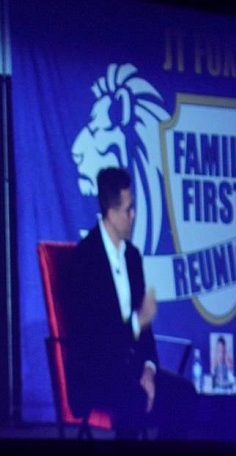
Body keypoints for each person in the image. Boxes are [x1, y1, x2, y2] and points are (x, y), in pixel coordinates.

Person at [63, 167, 196, 437]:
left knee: (185, 394)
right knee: (134, 400)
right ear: (111, 214)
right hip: (96, 372)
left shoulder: (132, 257)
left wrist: (149, 368)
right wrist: (137, 322)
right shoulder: (84, 260)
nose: (133, 215)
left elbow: (145, 332)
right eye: (128, 210)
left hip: (132, 369)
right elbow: (95, 336)